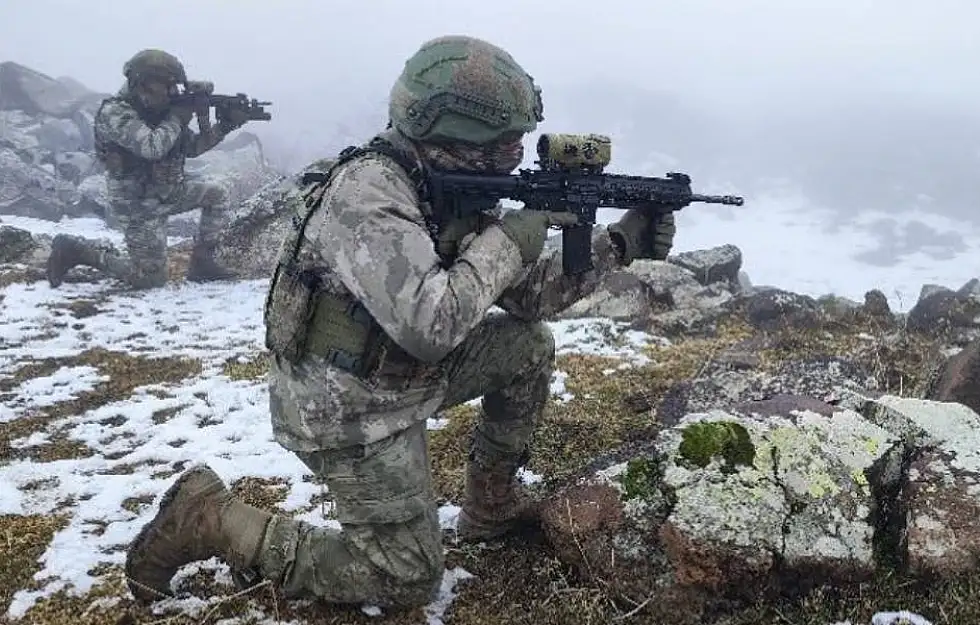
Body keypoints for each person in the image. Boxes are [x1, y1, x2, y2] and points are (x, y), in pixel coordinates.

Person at [123, 35, 676, 611]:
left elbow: (529, 298)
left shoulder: (445, 181)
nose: (512, 156)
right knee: (404, 578)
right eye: (497, 146)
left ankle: (490, 506)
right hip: (343, 404)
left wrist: (620, 243)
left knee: (526, 346)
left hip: (402, 374)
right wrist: (511, 239)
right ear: (444, 132)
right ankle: (211, 518)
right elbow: (430, 324)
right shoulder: (369, 193)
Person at [46, 48, 252, 290]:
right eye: (167, 86)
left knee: (217, 194)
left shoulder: (160, 110)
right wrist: (177, 117)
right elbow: (151, 147)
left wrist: (225, 126)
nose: (173, 92)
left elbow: (192, 147)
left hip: (168, 192)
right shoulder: (116, 113)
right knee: (150, 279)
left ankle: (203, 263)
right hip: (137, 205)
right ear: (143, 85)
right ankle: (77, 251)